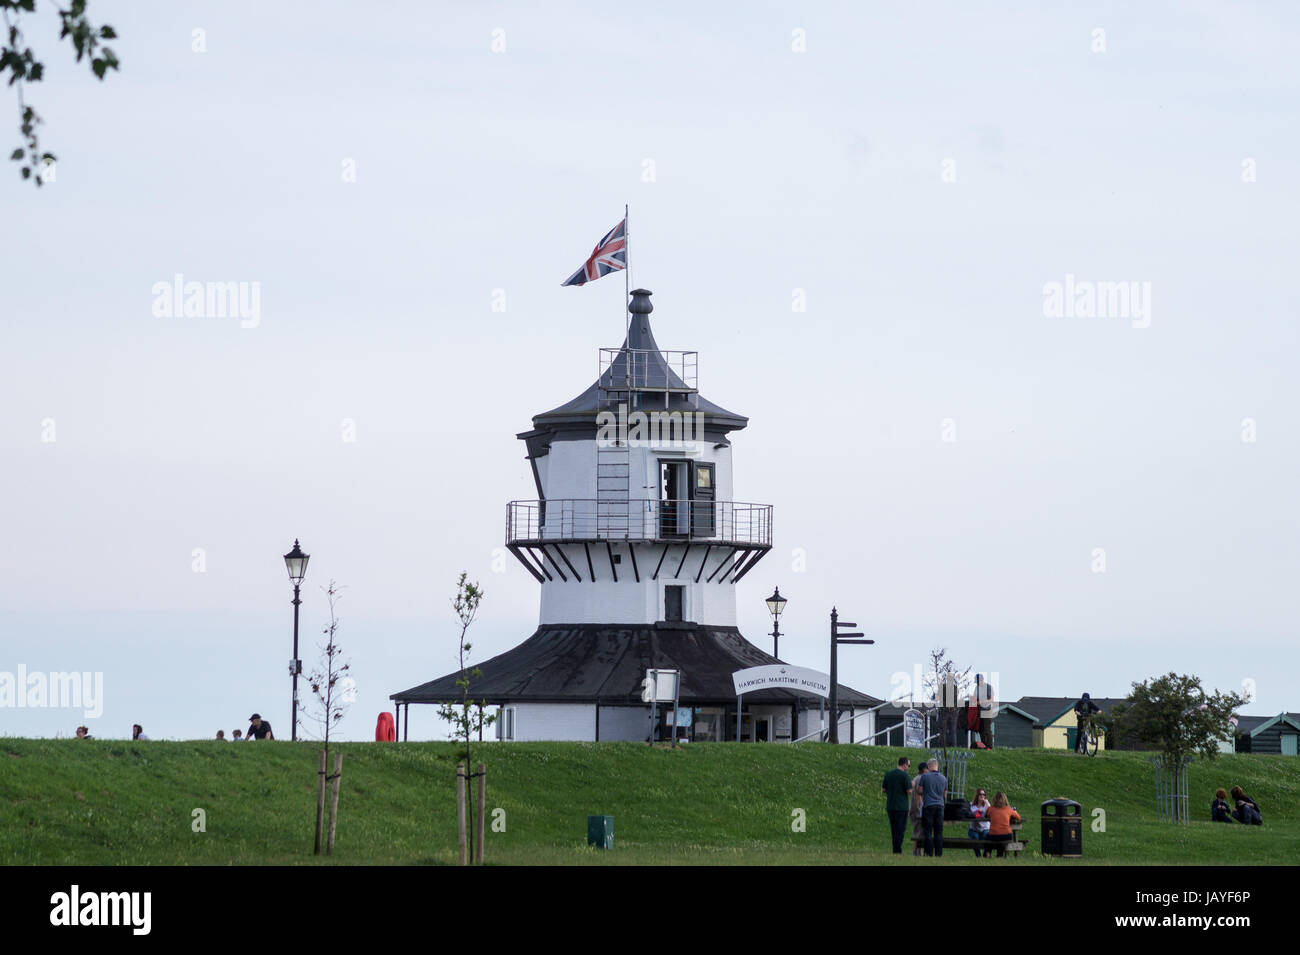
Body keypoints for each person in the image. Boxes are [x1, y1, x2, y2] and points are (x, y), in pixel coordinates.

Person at [916, 757, 948, 857]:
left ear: (929, 766)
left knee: (928, 831)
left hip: (928, 805)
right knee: (938, 831)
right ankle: (939, 854)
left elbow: (920, 791)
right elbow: (945, 795)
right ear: (937, 766)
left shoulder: (925, 777)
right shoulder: (943, 778)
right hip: (940, 806)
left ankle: (928, 853)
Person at [881, 757, 912, 854]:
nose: (909, 767)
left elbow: (883, 789)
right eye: (909, 765)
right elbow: (909, 791)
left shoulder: (889, 774)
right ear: (904, 764)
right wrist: (913, 787)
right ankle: (897, 850)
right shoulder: (904, 775)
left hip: (890, 805)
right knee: (901, 829)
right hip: (901, 806)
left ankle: (895, 849)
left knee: (894, 829)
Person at [983, 792, 1021, 857]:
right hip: (1006, 835)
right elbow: (1018, 817)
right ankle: (999, 855)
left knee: (987, 837)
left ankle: (987, 853)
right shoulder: (1009, 809)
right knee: (1001, 839)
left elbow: (986, 815)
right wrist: (1014, 812)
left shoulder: (991, 809)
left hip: (993, 835)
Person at [909, 762, 928, 856]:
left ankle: (917, 852)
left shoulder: (916, 778)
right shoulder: (921, 778)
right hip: (917, 810)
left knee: (917, 832)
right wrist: (919, 810)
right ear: (924, 769)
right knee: (918, 833)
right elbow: (918, 796)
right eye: (927, 769)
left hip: (914, 809)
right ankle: (916, 853)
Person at [968, 788, 991, 856]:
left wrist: (987, 802)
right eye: (980, 794)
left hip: (985, 828)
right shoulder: (972, 805)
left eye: (984, 794)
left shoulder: (986, 805)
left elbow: (991, 812)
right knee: (975, 837)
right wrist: (976, 813)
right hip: (974, 829)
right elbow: (970, 814)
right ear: (977, 795)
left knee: (985, 836)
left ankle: (985, 855)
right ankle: (978, 855)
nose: (982, 796)